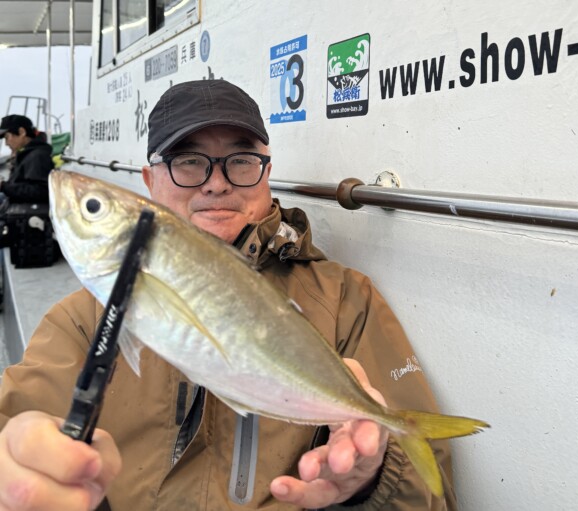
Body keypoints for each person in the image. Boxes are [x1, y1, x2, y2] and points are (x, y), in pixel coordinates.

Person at [0, 80, 456, 510]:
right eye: (188, 161)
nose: (216, 182)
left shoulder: (344, 300)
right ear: (149, 179)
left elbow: (434, 495)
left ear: (266, 173)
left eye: (240, 160)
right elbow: (13, 418)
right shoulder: (83, 319)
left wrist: (370, 480)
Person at [0, 114, 54, 206]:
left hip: (27, 216)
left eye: (7, 137)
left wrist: (4, 186)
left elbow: (41, 192)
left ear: (22, 132)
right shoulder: (27, 155)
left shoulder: (38, 156)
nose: (6, 143)